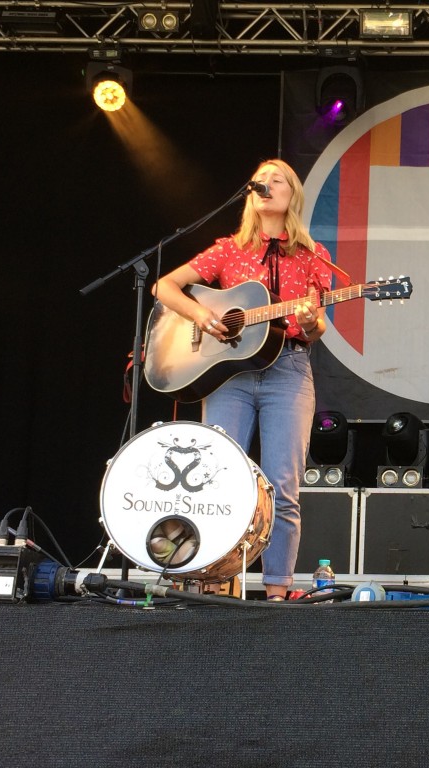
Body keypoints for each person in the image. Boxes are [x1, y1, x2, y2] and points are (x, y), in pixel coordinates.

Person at [153, 158, 344, 600]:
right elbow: (165, 286)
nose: (268, 184)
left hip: (288, 371)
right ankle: (214, 580)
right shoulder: (227, 250)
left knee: (283, 483)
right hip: (227, 376)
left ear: (292, 195)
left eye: (279, 180)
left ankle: (277, 590)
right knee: (216, 478)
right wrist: (203, 314)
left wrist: (312, 320)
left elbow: (317, 330)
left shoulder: (314, 255)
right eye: (263, 179)